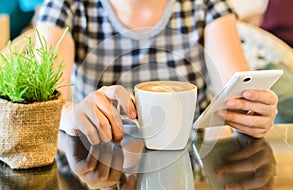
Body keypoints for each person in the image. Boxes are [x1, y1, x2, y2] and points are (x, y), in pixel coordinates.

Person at [35, 0, 278, 145]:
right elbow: (40, 105)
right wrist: (70, 113)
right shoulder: (66, 5)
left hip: (190, 165)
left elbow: (239, 95)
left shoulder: (205, 4)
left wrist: (252, 114)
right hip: (99, 164)